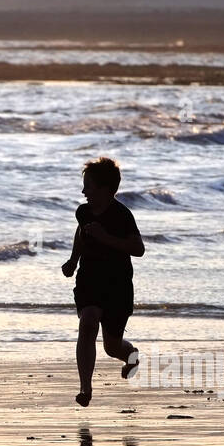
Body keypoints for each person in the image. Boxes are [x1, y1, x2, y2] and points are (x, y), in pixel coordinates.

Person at [62, 157, 144, 407]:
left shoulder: (122, 215)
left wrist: (105, 237)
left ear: (106, 189)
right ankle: (85, 388)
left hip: (117, 286)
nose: (83, 191)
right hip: (89, 279)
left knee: (111, 346)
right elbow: (81, 232)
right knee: (87, 324)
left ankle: (131, 355)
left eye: (89, 186)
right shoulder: (83, 212)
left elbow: (138, 249)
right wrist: (73, 259)